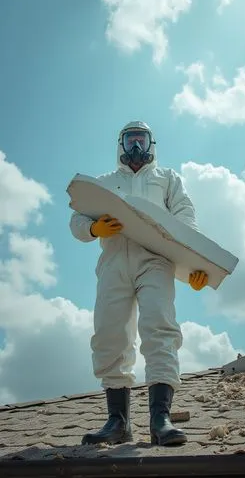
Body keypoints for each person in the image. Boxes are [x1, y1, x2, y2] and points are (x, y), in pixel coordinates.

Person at [69, 121, 208, 446]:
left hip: (155, 260)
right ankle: (117, 421)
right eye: (130, 139)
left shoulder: (167, 179)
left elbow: (186, 217)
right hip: (114, 262)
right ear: (121, 144)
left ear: (150, 143)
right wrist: (93, 230)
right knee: (109, 333)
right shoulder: (103, 183)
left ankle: (160, 419)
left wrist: (193, 265)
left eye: (140, 139)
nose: (136, 145)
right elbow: (76, 220)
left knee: (159, 327)